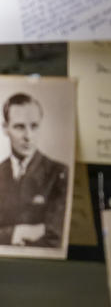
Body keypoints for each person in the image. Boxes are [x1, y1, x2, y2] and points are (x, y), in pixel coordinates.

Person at [0, 92, 68, 248]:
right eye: (19, 127)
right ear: (5, 128)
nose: (28, 136)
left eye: (34, 126)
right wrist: (19, 232)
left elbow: (56, 236)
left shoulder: (59, 173)